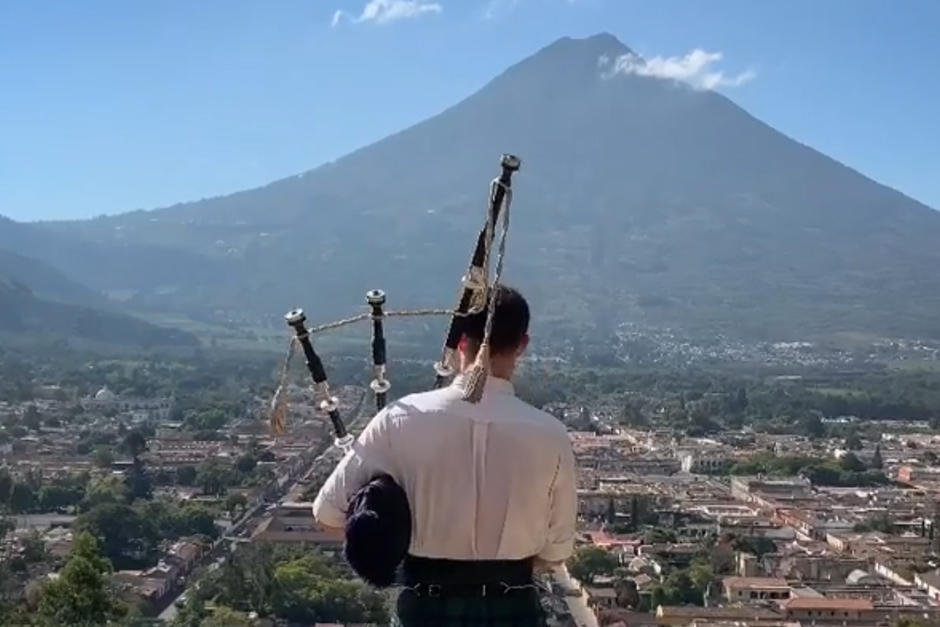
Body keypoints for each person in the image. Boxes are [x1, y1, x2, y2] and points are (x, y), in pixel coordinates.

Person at [312, 285, 577, 626]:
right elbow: (557, 551)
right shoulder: (551, 435)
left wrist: (390, 541)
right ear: (522, 344)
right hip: (514, 607)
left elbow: (327, 513)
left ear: (461, 341)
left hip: (425, 606)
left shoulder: (399, 419)